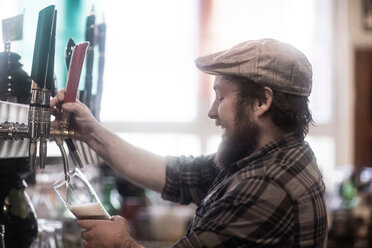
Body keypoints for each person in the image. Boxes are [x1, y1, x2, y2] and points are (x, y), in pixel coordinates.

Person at [51, 38, 328, 248]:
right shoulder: (269, 157)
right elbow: (174, 174)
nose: (212, 111)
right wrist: (90, 131)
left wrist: (122, 244)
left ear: (261, 102)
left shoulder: (267, 184)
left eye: (221, 96)